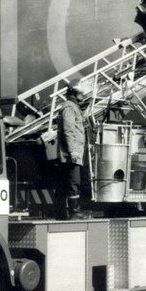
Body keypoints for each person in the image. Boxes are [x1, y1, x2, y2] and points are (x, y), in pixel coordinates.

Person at [57, 83, 89, 219]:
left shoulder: (73, 107)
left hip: (72, 153)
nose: (82, 97)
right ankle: (75, 212)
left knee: (69, 182)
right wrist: (73, 151)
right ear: (74, 94)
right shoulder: (69, 108)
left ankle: (63, 213)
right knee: (73, 182)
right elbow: (68, 130)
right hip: (71, 155)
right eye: (80, 94)